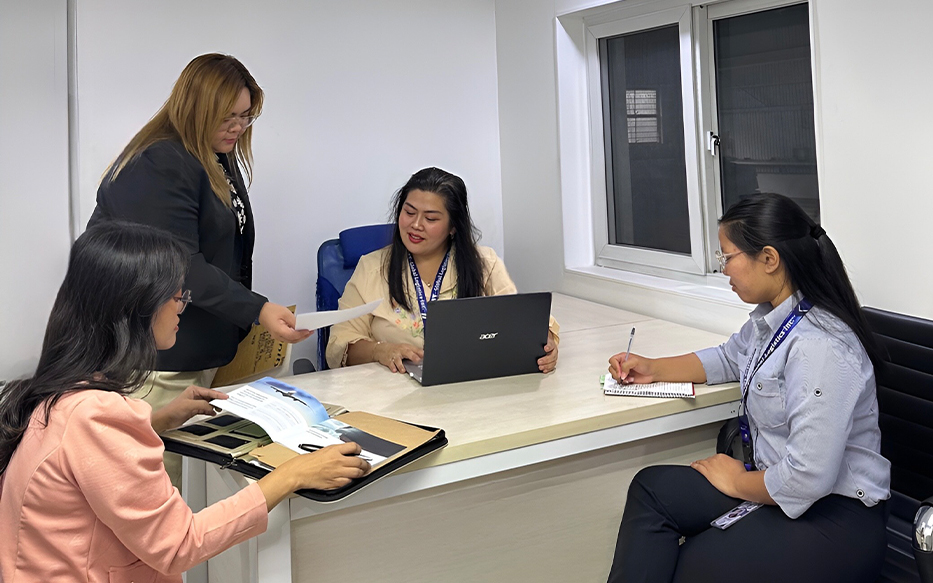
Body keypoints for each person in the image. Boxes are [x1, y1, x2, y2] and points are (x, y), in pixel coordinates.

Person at [0, 221, 368, 583]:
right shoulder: (95, 416)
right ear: (136, 307)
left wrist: (158, 420)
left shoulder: (63, 388)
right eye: (176, 297)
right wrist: (292, 474)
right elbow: (178, 544)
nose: (182, 308)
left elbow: (83, 457)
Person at [604, 193, 890, 583]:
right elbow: (729, 358)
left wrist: (738, 480)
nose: (723, 269)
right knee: (652, 489)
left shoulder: (820, 346)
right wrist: (653, 368)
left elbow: (808, 478)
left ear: (769, 259)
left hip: (835, 517)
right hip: (776, 488)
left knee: (695, 565)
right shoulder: (773, 318)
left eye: (727, 257)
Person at [87, 53, 309, 484]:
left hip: (198, 352)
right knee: (153, 489)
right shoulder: (159, 162)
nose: (238, 127)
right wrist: (257, 309)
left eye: (246, 116)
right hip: (155, 365)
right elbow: (180, 266)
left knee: (194, 493)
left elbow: (230, 250)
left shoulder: (214, 154)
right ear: (195, 109)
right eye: (228, 117)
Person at [325, 167, 560, 373]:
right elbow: (339, 344)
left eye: (430, 218)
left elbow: (523, 321)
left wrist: (546, 345)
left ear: (453, 227)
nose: (416, 225)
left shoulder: (484, 263)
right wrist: (380, 351)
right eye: (409, 212)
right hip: (393, 390)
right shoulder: (372, 268)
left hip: (470, 386)